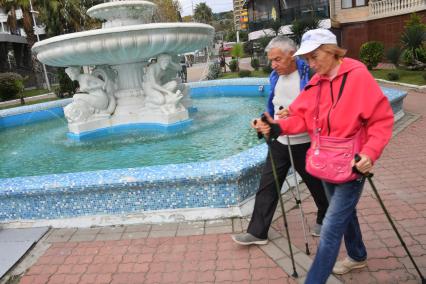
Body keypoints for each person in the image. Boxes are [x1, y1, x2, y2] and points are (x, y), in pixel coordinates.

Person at [257, 29, 394, 283]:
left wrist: (370, 153)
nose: (310, 64)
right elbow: (302, 118)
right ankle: (357, 255)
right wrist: (277, 127)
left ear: (331, 51)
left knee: (331, 227)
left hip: (352, 164)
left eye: (314, 56)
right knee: (344, 213)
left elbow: (381, 120)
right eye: (307, 58)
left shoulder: (357, 76)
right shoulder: (317, 82)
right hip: (325, 162)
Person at [231, 36, 329, 246]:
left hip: (304, 142)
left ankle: (325, 216)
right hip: (279, 141)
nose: (273, 65)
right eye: (271, 60)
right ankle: (257, 232)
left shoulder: (310, 74)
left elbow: (315, 111)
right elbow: (273, 105)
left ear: (291, 55)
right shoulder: (275, 77)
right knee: (267, 185)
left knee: (316, 185)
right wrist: (264, 121)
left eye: (277, 59)